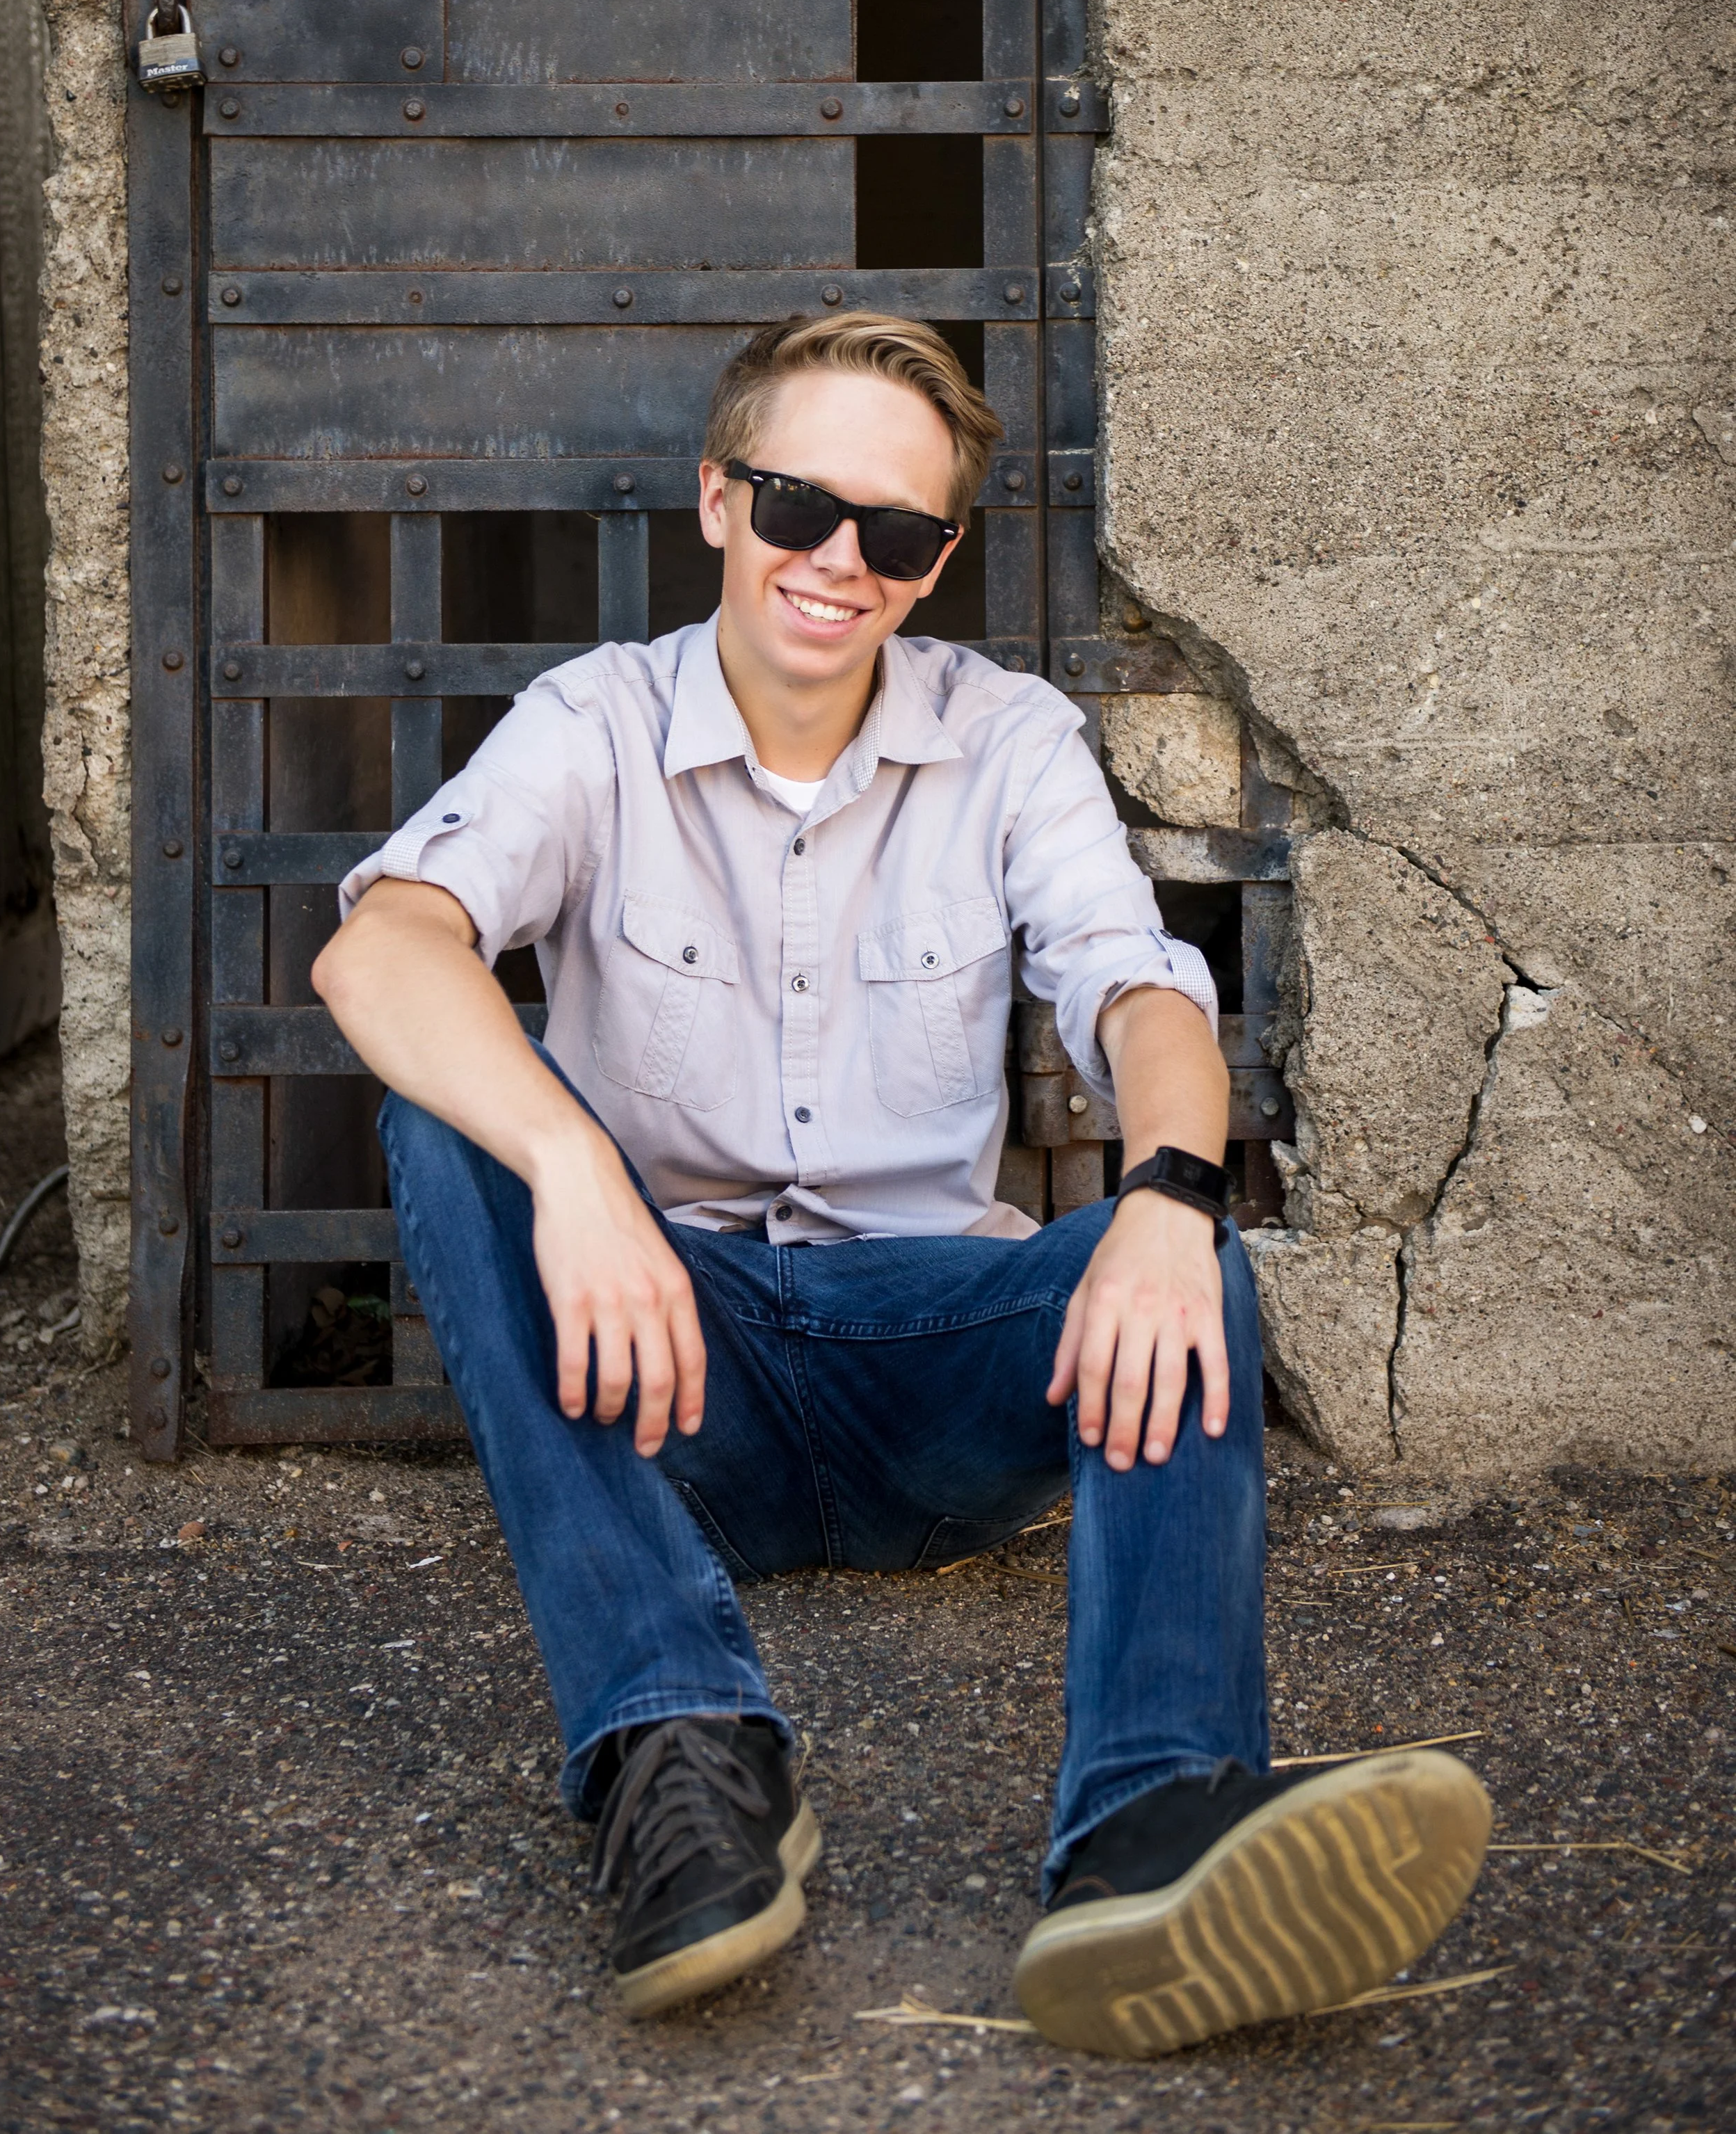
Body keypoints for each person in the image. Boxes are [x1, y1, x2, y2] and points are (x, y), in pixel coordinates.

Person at [313, 312, 1490, 2057]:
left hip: (936, 1373)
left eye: (896, 533)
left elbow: (1136, 988)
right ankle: (682, 1756)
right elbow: (384, 954)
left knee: (1177, 1249)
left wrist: (1172, 1193)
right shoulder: (595, 723)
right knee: (450, 1118)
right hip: (668, 1372)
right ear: (718, 500)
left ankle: (1148, 1828)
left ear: (932, 565)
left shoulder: (1001, 739)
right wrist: (569, 1166)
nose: (837, 563)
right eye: (798, 505)